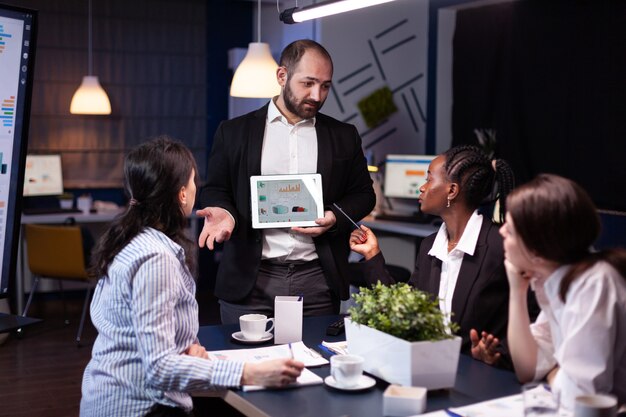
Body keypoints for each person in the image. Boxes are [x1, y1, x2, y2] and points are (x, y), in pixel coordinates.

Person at [80, 137, 303, 417]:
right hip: (141, 407)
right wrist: (251, 373)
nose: (196, 187)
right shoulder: (155, 258)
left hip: (108, 396)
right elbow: (160, 367)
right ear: (182, 194)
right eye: (194, 180)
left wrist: (185, 350)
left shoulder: (128, 239)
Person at [197, 39, 375, 324]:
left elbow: (364, 195)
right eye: (308, 83)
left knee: (316, 363)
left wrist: (334, 217)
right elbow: (216, 188)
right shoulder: (233, 132)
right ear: (282, 76)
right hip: (250, 279)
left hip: (318, 279)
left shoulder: (344, 135)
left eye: (326, 86)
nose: (317, 95)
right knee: (244, 363)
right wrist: (225, 212)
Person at [350, 145, 522, 365]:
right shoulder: (430, 245)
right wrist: (372, 254)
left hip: (481, 378)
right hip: (431, 366)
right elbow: (405, 310)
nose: (422, 187)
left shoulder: (501, 247)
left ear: (452, 191)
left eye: (429, 179)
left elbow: (534, 318)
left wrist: (499, 354)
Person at [494, 174, 626, 410]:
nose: (501, 232)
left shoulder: (594, 283)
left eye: (511, 230)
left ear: (537, 249)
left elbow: (581, 396)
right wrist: (517, 290)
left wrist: (556, 374)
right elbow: (528, 369)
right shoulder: (554, 279)